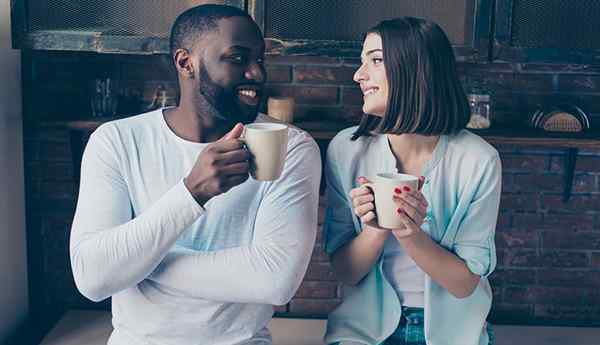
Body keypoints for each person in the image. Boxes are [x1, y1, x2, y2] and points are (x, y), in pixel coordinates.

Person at [69, 4, 321, 345]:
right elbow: (93, 278)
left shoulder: (289, 145)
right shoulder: (116, 141)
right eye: (237, 58)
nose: (258, 73)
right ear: (185, 62)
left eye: (260, 59)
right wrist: (191, 193)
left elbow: (275, 279)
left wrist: (137, 265)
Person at [323, 17, 501, 345]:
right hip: (362, 330)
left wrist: (410, 234)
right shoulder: (346, 150)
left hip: (454, 334)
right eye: (362, 61)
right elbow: (346, 272)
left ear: (415, 70)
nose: (358, 75)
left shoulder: (479, 160)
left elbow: (464, 285)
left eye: (375, 60)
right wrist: (375, 228)